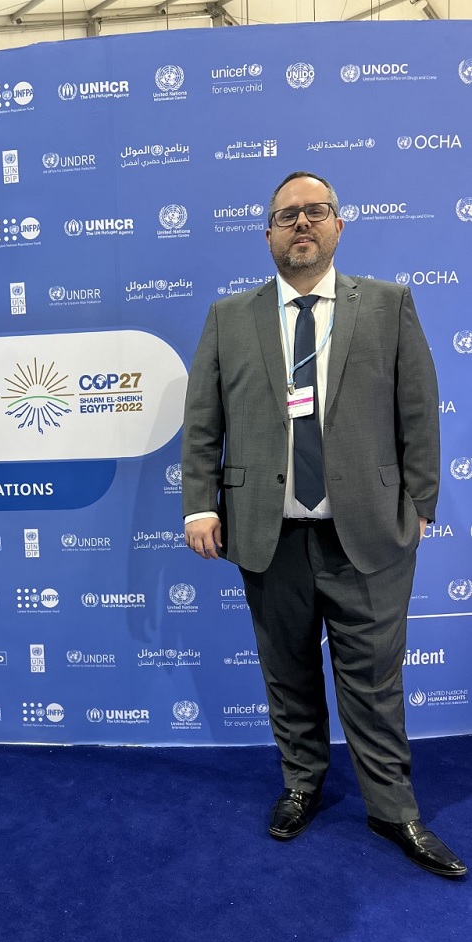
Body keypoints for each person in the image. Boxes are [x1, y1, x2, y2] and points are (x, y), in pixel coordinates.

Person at [182, 170, 467, 878]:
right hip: (267, 532)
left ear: (340, 225)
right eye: (287, 216)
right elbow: (204, 421)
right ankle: (302, 784)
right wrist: (200, 503)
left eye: (316, 211)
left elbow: (418, 410)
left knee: (373, 680)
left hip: (367, 532)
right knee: (287, 671)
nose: (302, 224)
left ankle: (392, 808)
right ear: (268, 236)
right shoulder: (229, 317)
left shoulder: (388, 305)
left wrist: (420, 503)